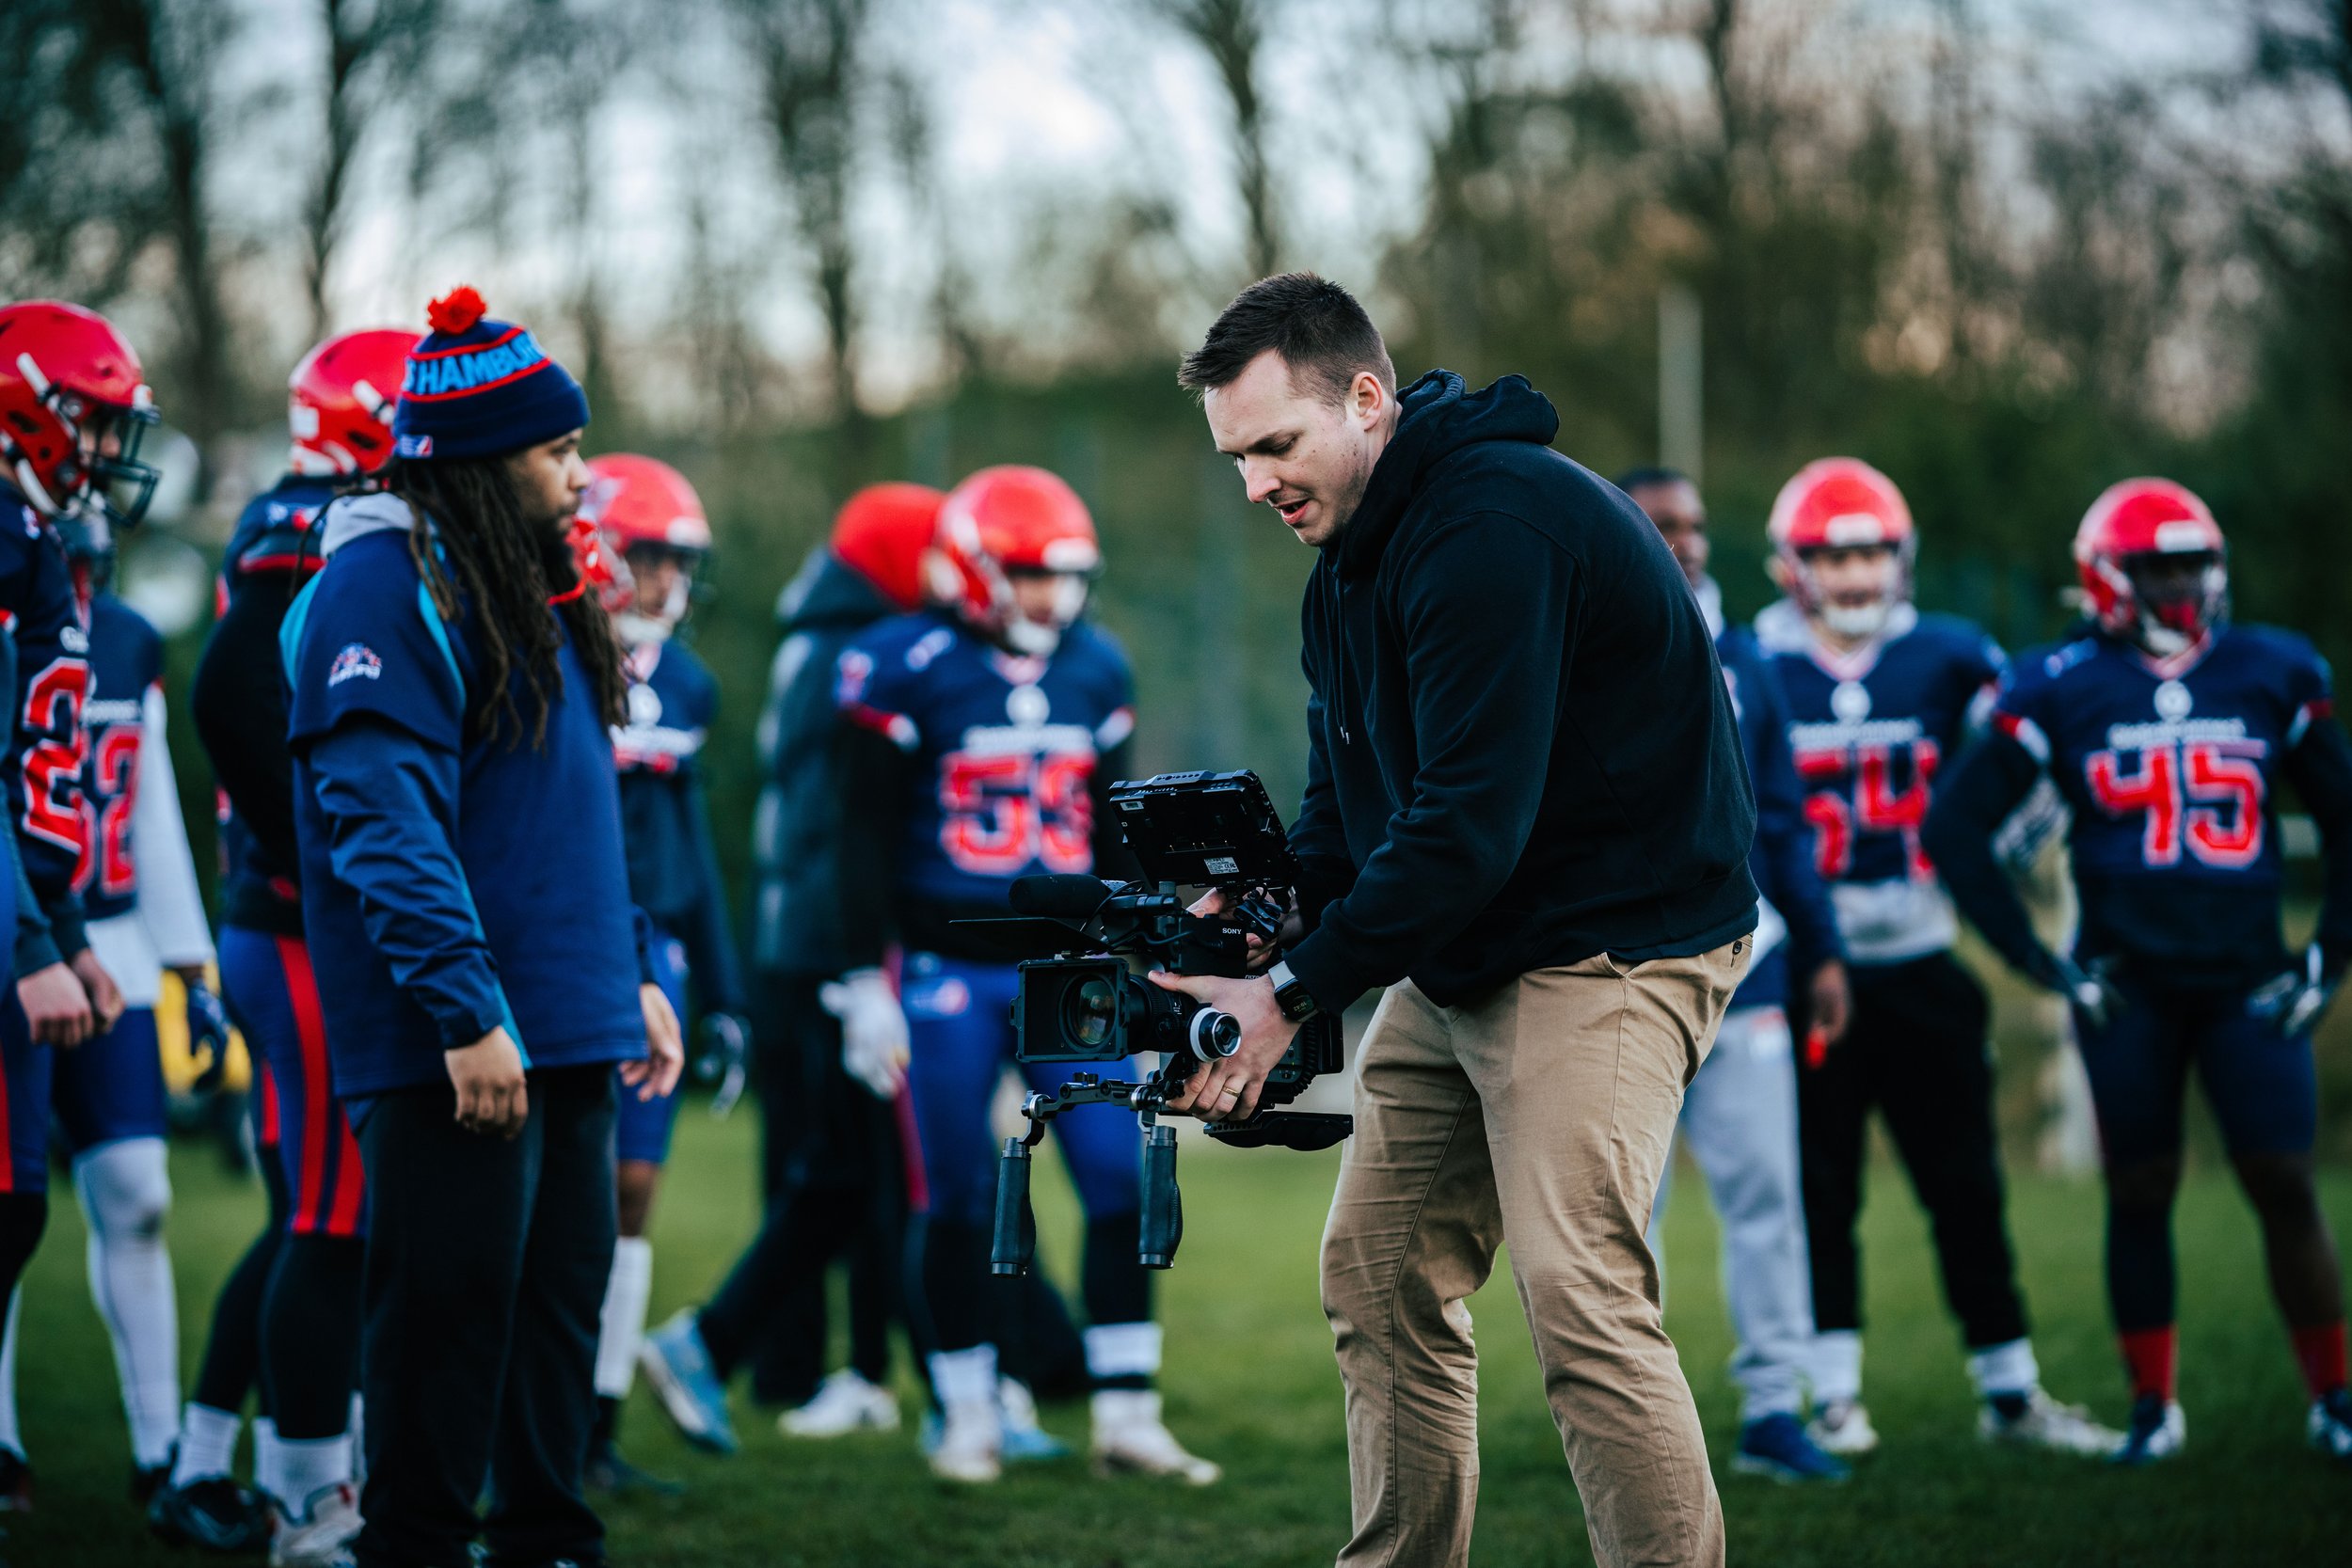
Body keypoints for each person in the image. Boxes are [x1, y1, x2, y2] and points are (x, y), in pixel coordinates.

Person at [1166, 273, 1756, 1568]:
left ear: (1367, 399)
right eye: (1237, 458)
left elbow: (1464, 827)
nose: (1257, 483)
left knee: (1582, 1297)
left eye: (1276, 443)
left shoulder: (1494, 525)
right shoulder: (1344, 563)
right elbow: (1350, 812)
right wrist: (1262, 922)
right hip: (1479, 933)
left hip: (1618, 938)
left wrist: (1299, 990)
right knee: (1378, 1273)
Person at [280, 288, 680, 1568]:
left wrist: (628, 971)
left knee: (557, 1311)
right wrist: (466, 1009)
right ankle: (412, 1545)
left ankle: (547, 1540)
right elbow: (381, 817)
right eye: (558, 451)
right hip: (463, 1034)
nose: (578, 474)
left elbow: (571, 806)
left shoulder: (533, 579)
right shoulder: (376, 583)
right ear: (477, 454)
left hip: (569, 1016)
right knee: (447, 1320)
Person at [1923, 478, 2352, 1465]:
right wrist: (2040, 961)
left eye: (2193, 563)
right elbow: (1953, 826)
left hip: (2249, 978)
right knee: (2140, 1185)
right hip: (2130, 985)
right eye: (2157, 566)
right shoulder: (2060, 679)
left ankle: (2332, 1394)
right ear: (2107, 577)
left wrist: (2326, 956)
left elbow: (2344, 821)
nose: (2180, 584)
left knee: (2284, 1177)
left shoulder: (2274, 668)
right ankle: (2153, 1407)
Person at [1753, 456, 2111, 1459]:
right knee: (1817, 1184)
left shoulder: (1951, 655)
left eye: (1871, 551)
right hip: (1807, 966)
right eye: (1836, 554)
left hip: (1919, 952)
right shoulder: (1754, 660)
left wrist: (1987, 852)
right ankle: (1833, 1391)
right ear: (1794, 566)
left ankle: (2008, 1385)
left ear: (1900, 558)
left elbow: (2024, 767)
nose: (1858, 574)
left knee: (1963, 1177)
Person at [163, 327, 416, 1560]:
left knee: (314, 1212)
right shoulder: (307, 517)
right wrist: (322, 851)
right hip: (290, 925)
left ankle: (220, 1456)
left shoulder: (322, 510)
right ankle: (307, 1494)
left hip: (285, 924)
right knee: (328, 1215)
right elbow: (224, 694)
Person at [681, 483, 942, 1439]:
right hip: (830, 948)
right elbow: (840, 822)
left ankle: (793, 1365)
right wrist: (858, 959)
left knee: (821, 1162)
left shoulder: (815, 634)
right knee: (851, 1169)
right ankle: (764, 1352)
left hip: (793, 938)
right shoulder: (856, 651)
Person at [1621, 466, 1853, 1483]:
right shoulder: (1589, 636)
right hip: (1621, 975)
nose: (1683, 540)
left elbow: (1789, 822)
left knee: (1767, 1196)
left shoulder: (1747, 657)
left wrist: (1825, 943)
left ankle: (1774, 1407)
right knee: (1628, 1214)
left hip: (1749, 971)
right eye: (1659, 524)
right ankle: (1638, 1424)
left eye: (1694, 524)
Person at [0, 496, 217, 1508]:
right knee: (5, 1211)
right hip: (19, 929)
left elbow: (157, 802)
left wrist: (186, 961)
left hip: (113, 937)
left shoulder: (129, 639)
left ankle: (158, 1440)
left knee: (138, 1188)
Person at [575, 451, 749, 1494]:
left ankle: (592, 1422)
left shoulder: (684, 683)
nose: (664, 583)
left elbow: (684, 841)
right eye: (645, 556)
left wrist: (721, 990)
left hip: (661, 959)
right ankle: (524, 1414)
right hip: (564, 947)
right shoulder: (545, 657)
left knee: (632, 1188)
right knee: (553, 1189)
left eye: (677, 561)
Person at [0, 298, 140, 1511]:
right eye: (88, 420)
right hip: (6, 938)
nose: (102, 449)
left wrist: (76, 932)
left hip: (30, 927)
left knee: (14, 1213)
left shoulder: (29, 540)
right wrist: (33, 938)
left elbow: (31, 777)